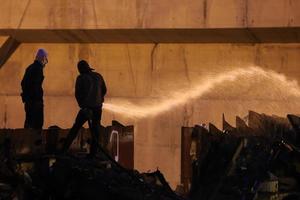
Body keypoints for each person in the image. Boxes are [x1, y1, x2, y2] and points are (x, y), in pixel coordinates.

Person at [62, 60, 107, 156]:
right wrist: (100, 99)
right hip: (97, 109)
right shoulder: (98, 76)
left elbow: (78, 94)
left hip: (86, 108)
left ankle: (63, 150)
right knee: (95, 131)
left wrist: (83, 106)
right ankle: (93, 154)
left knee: (76, 128)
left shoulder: (81, 78)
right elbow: (104, 90)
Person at [21, 49, 48, 130]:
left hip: (28, 101)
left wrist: (26, 97)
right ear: (43, 58)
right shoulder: (38, 68)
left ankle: (26, 141)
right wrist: (37, 97)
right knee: (38, 125)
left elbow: (23, 83)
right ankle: (35, 142)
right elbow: (36, 85)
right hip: (35, 101)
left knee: (28, 123)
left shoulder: (29, 67)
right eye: (45, 59)